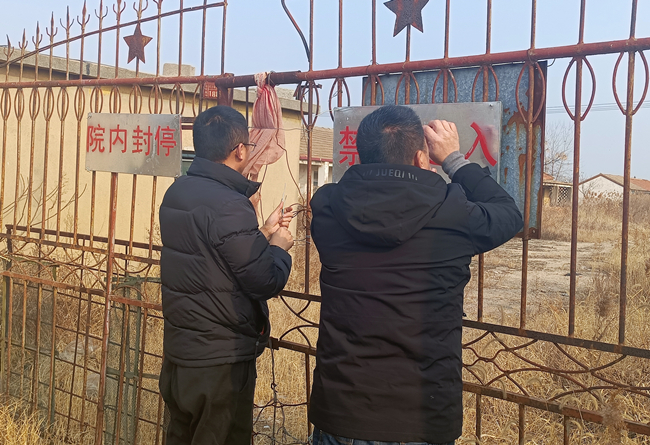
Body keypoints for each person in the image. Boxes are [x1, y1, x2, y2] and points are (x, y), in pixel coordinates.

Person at [308, 105, 523, 445]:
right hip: (422, 417)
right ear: (422, 159)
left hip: (340, 412)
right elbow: (509, 214)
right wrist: (453, 159)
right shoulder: (452, 213)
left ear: (361, 157)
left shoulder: (326, 210)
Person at [158, 105, 294, 445]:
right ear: (240, 150)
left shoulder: (178, 191)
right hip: (219, 361)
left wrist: (262, 232)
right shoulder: (230, 204)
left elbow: (212, 255)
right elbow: (264, 279)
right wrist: (278, 247)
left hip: (180, 351)